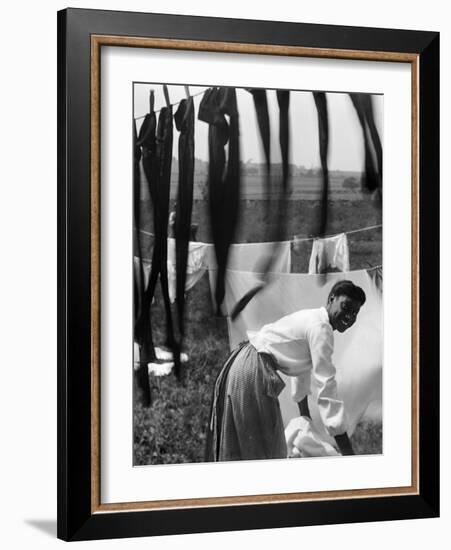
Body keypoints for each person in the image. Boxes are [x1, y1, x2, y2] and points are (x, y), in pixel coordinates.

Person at [205, 279, 366, 462]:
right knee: (261, 450)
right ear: (331, 299)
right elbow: (326, 388)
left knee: (252, 444)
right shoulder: (321, 328)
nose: (349, 317)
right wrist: (348, 454)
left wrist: (304, 416)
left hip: (244, 363)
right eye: (345, 307)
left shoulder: (314, 319)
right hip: (250, 371)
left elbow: (303, 370)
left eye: (354, 313)